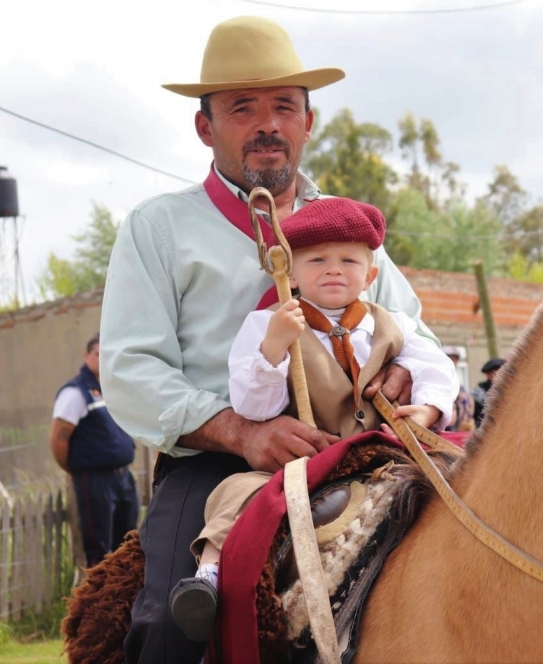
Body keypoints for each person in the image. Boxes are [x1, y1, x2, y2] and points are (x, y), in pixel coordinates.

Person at [99, 16, 436, 663]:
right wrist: (240, 431)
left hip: (356, 446)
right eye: (241, 107)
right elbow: (131, 368)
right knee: (166, 627)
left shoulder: (347, 226)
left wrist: (408, 377)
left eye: (284, 106)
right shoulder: (159, 228)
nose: (267, 124)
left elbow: (411, 327)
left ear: (307, 122)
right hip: (217, 461)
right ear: (206, 127)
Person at [167, 197, 458, 642]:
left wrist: (430, 407)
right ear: (291, 273)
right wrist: (275, 349)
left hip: (380, 454)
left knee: (461, 474)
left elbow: (436, 367)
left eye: (348, 260)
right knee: (237, 493)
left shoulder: (392, 323)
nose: (333, 269)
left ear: (370, 275)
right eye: (317, 260)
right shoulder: (267, 324)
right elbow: (254, 407)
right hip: (301, 460)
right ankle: (208, 576)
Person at [49, 334, 139, 568]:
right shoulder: (75, 393)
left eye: (106, 355)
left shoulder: (110, 389)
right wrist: (73, 468)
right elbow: (59, 439)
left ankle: (124, 601)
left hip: (123, 477)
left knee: (128, 544)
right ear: (87, 356)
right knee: (100, 550)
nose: (102, 360)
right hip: (95, 480)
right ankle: (97, 603)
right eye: (98, 354)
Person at [442, 346, 475, 432]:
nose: (452, 362)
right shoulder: (433, 382)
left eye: (454, 359)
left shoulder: (461, 389)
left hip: (458, 434)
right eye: (448, 358)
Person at [472, 357, 505, 427]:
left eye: (499, 371)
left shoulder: (508, 389)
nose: (496, 374)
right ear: (488, 374)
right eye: (493, 372)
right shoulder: (479, 392)